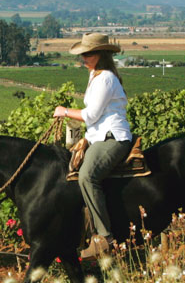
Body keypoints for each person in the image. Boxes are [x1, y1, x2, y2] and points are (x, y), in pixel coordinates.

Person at [53, 32, 133, 258]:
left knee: (87, 176)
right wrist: (86, 138)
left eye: (88, 54)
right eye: (82, 54)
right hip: (99, 136)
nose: (83, 58)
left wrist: (64, 111)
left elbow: (92, 114)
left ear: (101, 54)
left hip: (112, 138)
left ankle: (104, 237)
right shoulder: (95, 76)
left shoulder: (105, 78)